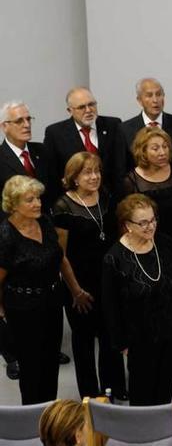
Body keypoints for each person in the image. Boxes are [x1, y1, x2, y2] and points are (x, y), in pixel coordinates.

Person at [0, 176, 91, 404]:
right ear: (13, 204)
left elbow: (62, 260)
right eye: (29, 200)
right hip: (23, 308)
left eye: (38, 198)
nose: (37, 203)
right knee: (32, 368)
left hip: (52, 301)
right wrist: (1, 312)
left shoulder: (45, 222)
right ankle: (32, 417)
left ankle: (50, 413)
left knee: (51, 361)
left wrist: (76, 291)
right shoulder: (5, 235)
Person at [52, 152, 126, 400]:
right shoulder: (62, 207)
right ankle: (90, 395)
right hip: (79, 286)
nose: (94, 177)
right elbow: (61, 256)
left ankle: (114, 386)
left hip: (107, 280)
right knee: (83, 343)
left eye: (97, 171)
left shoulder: (106, 197)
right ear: (74, 178)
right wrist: (75, 291)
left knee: (110, 336)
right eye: (87, 172)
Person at [102, 193, 172, 405]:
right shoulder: (114, 258)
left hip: (168, 332)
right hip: (138, 339)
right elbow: (110, 306)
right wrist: (121, 343)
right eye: (143, 222)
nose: (150, 226)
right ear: (128, 225)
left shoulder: (165, 245)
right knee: (143, 396)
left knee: (165, 392)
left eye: (153, 220)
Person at [0, 100, 51, 380]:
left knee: (42, 288)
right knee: (12, 295)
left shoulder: (42, 152)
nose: (27, 124)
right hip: (10, 235)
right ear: (4, 126)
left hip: (40, 231)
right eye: (19, 121)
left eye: (28, 119)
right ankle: (13, 354)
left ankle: (44, 347)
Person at [43, 87, 123, 203]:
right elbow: (53, 175)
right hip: (75, 202)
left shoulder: (113, 125)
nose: (88, 110)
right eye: (81, 107)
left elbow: (120, 166)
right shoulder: (55, 133)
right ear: (70, 111)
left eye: (91, 104)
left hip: (111, 200)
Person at [121, 126, 172, 249]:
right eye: (155, 148)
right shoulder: (130, 181)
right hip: (147, 242)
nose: (162, 152)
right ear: (143, 151)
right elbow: (125, 218)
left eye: (165, 146)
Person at [117, 78, 172, 177]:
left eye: (159, 94)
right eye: (149, 95)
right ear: (139, 100)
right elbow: (122, 167)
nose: (155, 100)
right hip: (139, 188)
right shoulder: (125, 129)